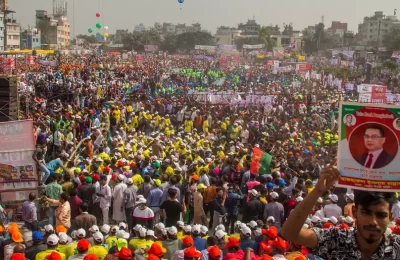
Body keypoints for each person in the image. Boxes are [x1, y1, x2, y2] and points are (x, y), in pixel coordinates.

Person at [282, 165, 400, 259]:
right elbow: (289, 233)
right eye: (366, 212)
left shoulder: (397, 248)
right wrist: (317, 190)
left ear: (390, 217)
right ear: (354, 212)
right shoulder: (336, 240)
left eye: (381, 215)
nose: (373, 221)